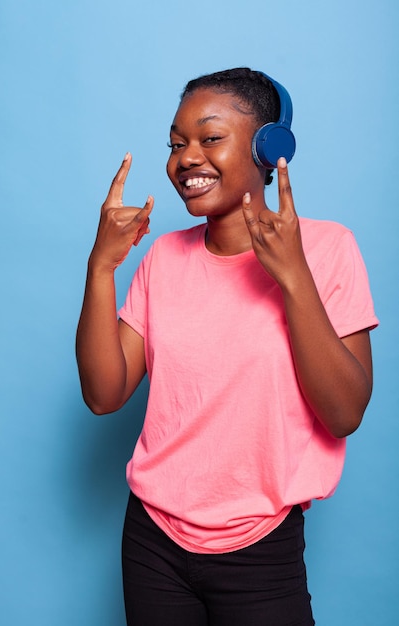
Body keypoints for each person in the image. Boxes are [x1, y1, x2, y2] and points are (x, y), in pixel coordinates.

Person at [76, 68, 378, 625]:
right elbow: (103, 394)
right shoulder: (163, 258)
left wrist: (294, 277)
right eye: (175, 144)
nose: (186, 157)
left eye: (209, 138)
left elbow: (343, 413)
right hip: (152, 541)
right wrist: (102, 267)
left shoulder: (331, 249)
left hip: (261, 549)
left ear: (270, 147)